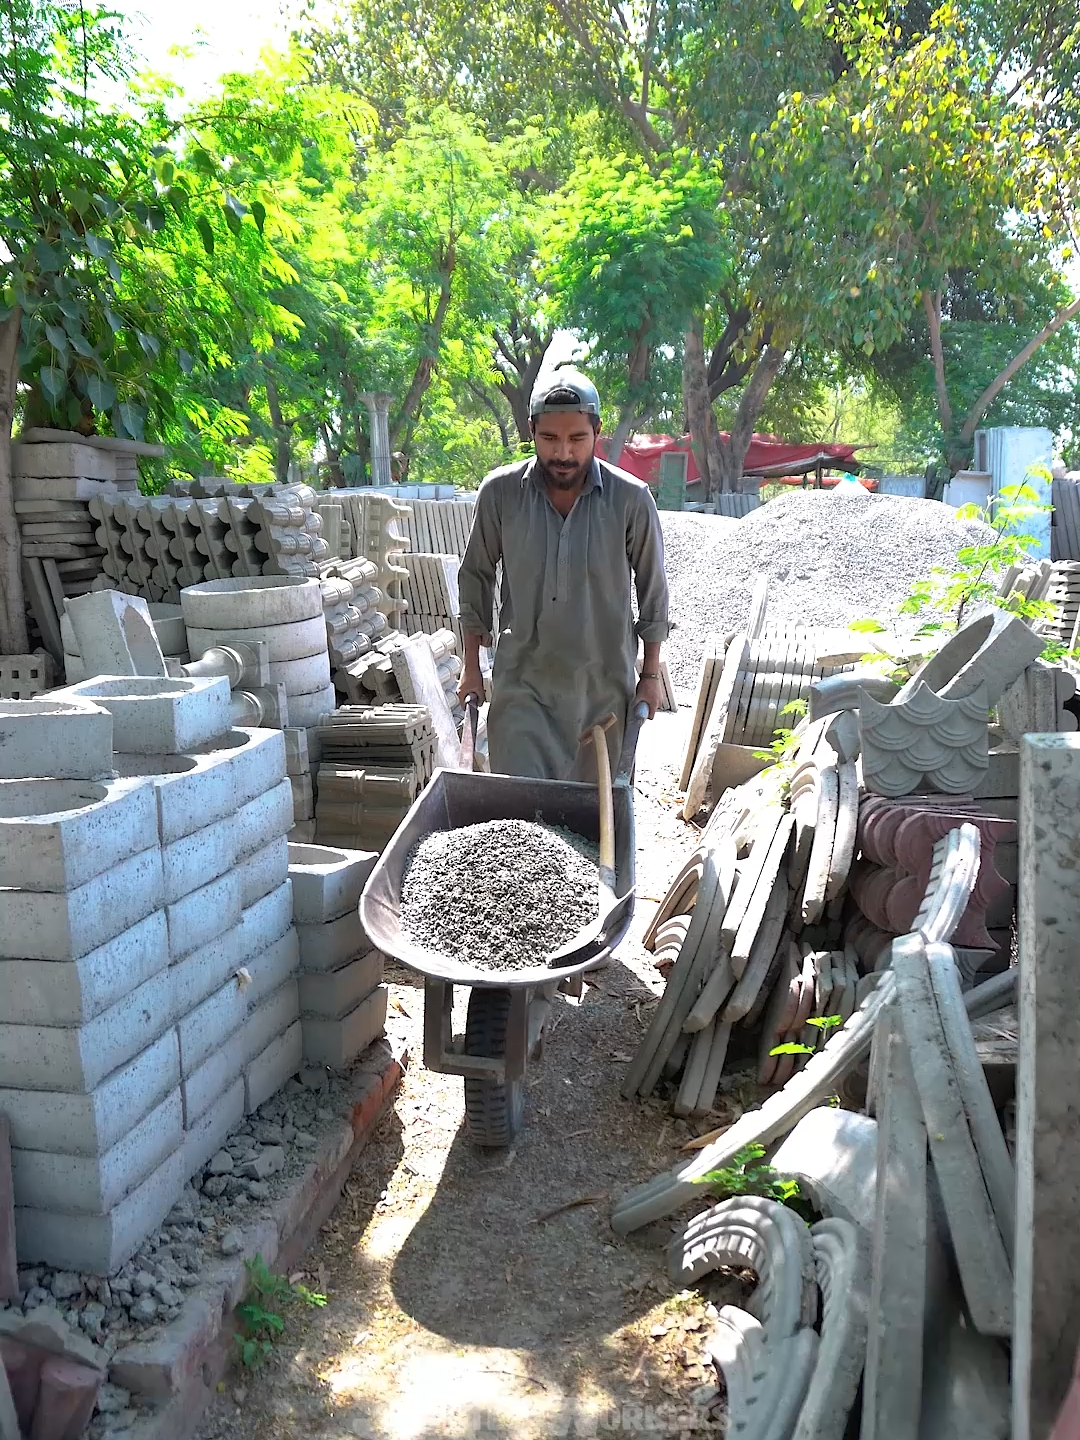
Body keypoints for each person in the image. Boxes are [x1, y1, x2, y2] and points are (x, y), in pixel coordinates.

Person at [457, 368, 670, 781]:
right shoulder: (500, 494)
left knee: (591, 826)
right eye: (550, 438)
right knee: (519, 821)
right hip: (523, 689)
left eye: (577, 439)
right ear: (532, 430)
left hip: (602, 693)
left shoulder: (630, 499)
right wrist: (470, 665)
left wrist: (649, 675)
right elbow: (476, 576)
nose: (563, 454)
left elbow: (653, 591)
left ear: (597, 431)